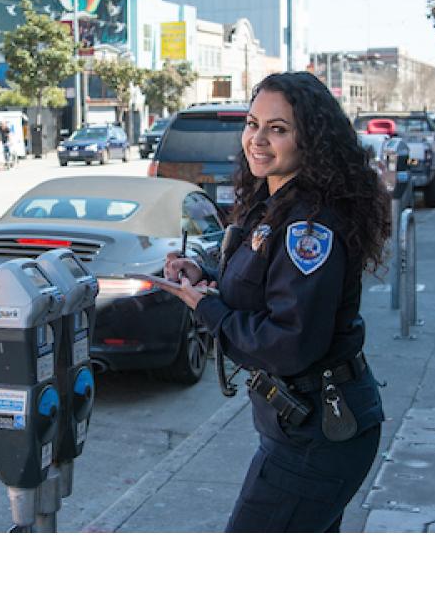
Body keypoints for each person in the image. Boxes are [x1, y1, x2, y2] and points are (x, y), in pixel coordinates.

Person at [160, 71, 390, 532]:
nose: (257, 139)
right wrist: (204, 277)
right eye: (252, 123)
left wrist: (206, 308)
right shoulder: (277, 204)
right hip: (301, 426)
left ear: (312, 140)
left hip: (318, 435)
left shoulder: (310, 226)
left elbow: (289, 342)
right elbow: (262, 285)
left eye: (278, 128)